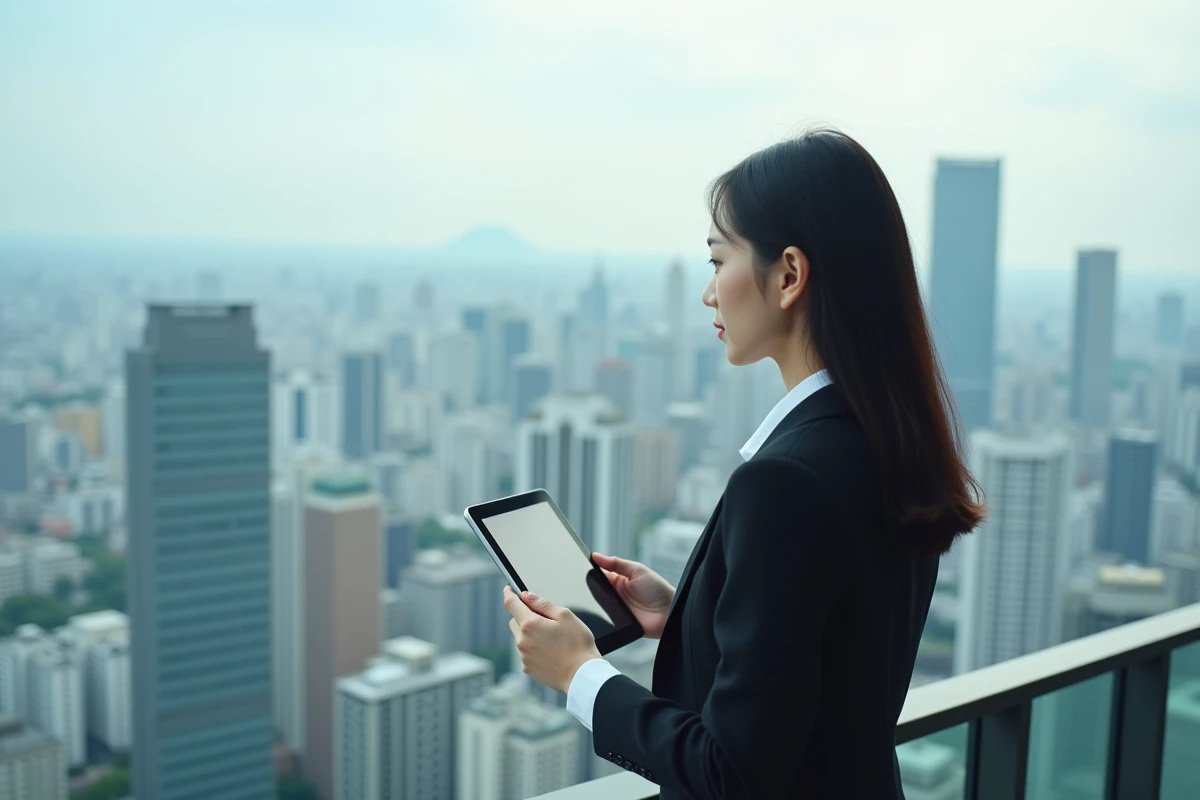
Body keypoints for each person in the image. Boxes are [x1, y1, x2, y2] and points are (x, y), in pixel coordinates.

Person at [502, 128, 986, 799]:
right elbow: (832, 655)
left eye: (717, 260)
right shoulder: (883, 440)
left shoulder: (787, 480)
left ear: (788, 274)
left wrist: (580, 673)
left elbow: (733, 774)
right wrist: (690, 614)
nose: (710, 293)